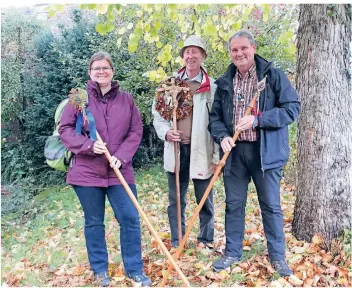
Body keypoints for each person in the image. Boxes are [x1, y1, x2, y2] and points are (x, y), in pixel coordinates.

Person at [208, 30, 300, 276]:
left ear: (253, 47)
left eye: (243, 48)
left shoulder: (273, 76)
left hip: (265, 152)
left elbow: (292, 109)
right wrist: (222, 136)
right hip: (235, 154)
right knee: (233, 204)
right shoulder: (225, 81)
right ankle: (232, 252)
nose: (239, 53)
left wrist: (258, 120)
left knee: (270, 205)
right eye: (234, 50)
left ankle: (278, 257)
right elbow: (215, 117)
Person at [59, 51, 152, 287]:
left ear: (112, 71)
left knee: (130, 218)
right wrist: (89, 145)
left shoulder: (127, 99)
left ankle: (134, 269)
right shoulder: (78, 98)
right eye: (97, 68)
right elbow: (66, 130)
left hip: (119, 170)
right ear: (90, 72)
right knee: (94, 222)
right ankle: (100, 271)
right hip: (87, 173)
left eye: (106, 67)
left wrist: (121, 156)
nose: (101, 71)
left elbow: (135, 131)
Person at [152, 35, 219, 249]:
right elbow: (158, 116)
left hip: (202, 150)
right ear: (182, 56)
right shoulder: (170, 85)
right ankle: (177, 240)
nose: (191, 56)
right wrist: (166, 133)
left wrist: (217, 156)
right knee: (176, 199)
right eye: (187, 52)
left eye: (195, 51)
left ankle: (206, 240)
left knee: (205, 198)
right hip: (176, 149)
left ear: (202, 56)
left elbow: (218, 123)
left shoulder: (212, 87)